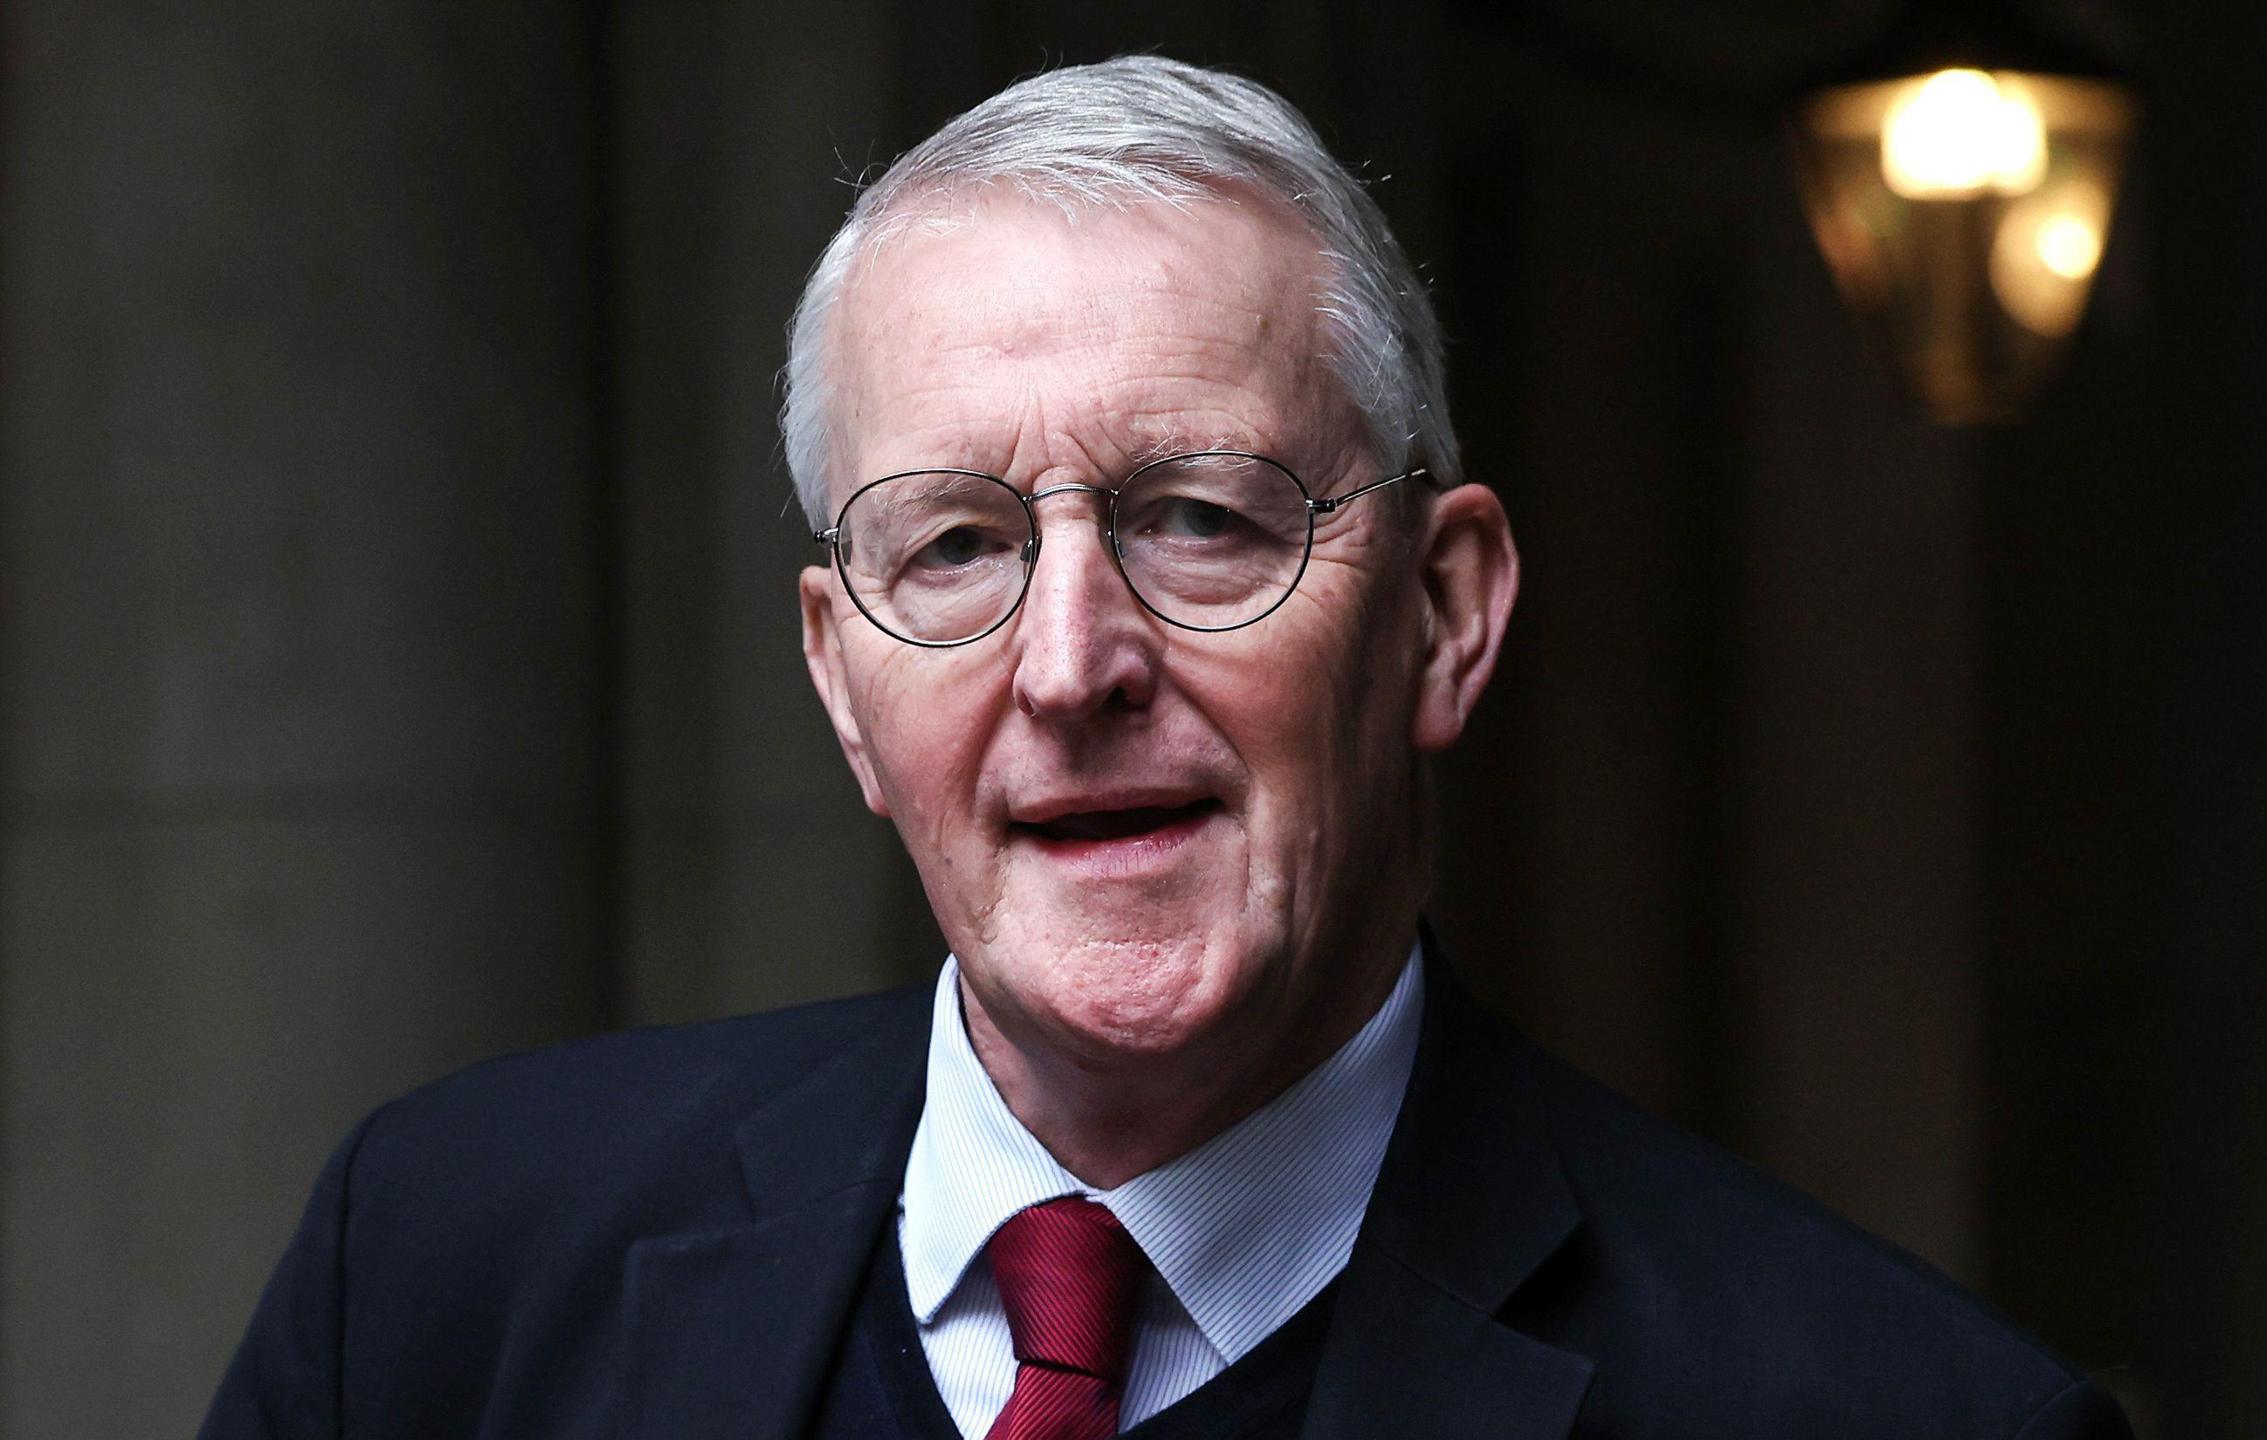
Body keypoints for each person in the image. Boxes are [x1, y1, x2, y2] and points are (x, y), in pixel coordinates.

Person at [201, 56, 2131, 1440]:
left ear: (1443, 618)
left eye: (1200, 517)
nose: (1070, 664)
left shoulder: (1888, 1410)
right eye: (954, 544)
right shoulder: (442, 1275)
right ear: (840, 684)